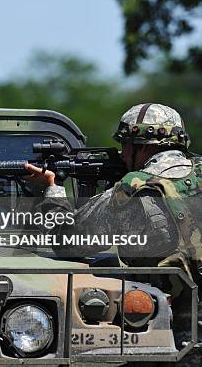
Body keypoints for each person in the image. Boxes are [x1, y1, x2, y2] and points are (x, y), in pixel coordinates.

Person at [25, 103, 201, 360]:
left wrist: (52, 188)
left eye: (125, 145)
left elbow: (68, 241)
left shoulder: (134, 187)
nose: (121, 153)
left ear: (141, 146)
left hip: (169, 332)